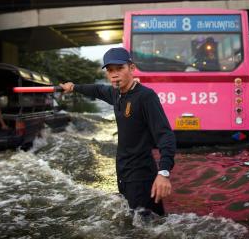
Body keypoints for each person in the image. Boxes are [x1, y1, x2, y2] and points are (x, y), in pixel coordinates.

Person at [59, 47, 176, 216]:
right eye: (110, 70)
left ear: (132, 68)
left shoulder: (146, 96)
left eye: (119, 68)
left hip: (141, 174)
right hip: (122, 171)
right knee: (144, 222)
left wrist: (164, 172)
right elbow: (97, 90)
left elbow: (165, 135)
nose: (114, 74)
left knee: (142, 225)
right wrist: (74, 87)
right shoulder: (116, 93)